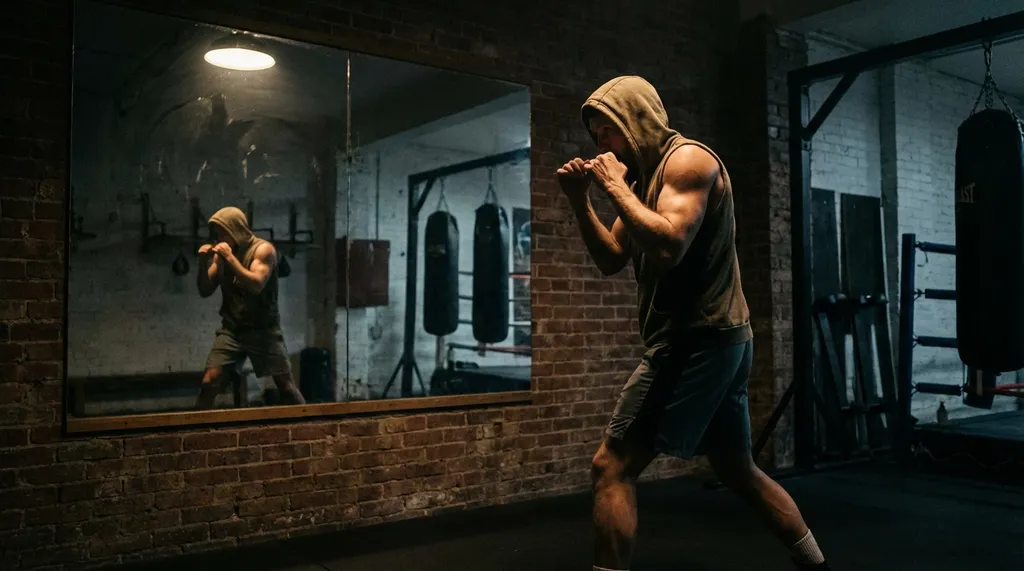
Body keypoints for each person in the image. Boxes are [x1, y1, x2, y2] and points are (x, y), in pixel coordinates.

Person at [557, 76, 830, 571]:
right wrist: (581, 200)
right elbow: (613, 257)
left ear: (634, 121)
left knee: (611, 466)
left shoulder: (688, 162)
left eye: (607, 134)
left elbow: (668, 246)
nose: (601, 147)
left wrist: (614, 185)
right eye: (596, 138)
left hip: (697, 342)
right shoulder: (642, 182)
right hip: (720, 338)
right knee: (737, 468)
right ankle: (816, 564)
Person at [195, 206, 306, 409]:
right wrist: (203, 263)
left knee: (287, 388)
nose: (218, 236)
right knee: (209, 383)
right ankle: (193, 432)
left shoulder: (262, 250)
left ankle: (311, 427)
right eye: (216, 233)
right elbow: (205, 290)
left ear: (235, 229)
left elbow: (255, 284)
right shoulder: (221, 255)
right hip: (232, 330)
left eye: (222, 231)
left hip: (263, 330)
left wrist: (230, 258)